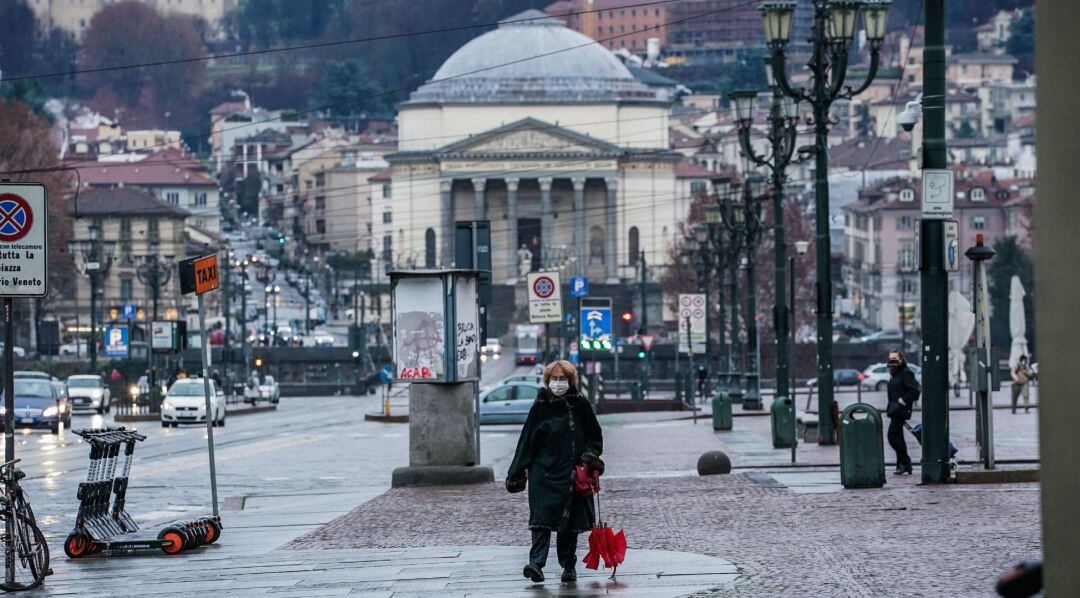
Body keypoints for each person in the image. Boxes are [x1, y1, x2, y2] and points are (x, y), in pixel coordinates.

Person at [505, 360, 604, 584]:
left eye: (563, 379)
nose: (558, 383)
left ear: (571, 381)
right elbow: (526, 442)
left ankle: (568, 566)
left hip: (573, 476)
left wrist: (589, 457)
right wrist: (516, 473)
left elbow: (594, 436)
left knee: (569, 525)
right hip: (544, 475)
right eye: (554, 379)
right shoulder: (540, 407)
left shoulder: (580, 405)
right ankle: (536, 564)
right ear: (547, 381)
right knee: (541, 521)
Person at [885, 350, 920, 475]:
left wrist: (903, 400)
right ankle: (903, 465)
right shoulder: (895, 373)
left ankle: (905, 462)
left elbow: (915, 390)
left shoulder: (906, 372)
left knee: (892, 436)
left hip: (900, 409)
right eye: (891, 358)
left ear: (901, 359)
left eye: (895, 358)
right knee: (898, 437)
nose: (892, 360)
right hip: (894, 409)